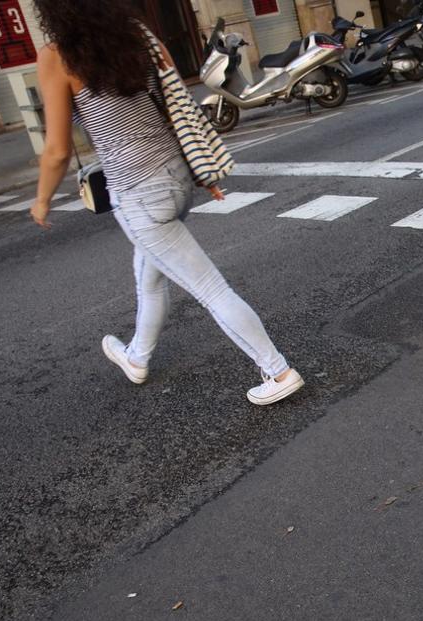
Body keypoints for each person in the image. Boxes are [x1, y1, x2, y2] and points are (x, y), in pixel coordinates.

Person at [29, 0, 303, 406]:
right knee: (149, 274)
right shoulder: (140, 36)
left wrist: (41, 200)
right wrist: (203, 172)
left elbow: (56, 151)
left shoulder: (57, 57)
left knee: (211, 289)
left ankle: (277, 370)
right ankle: (137, 356)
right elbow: (178, 107)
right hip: (176, 178)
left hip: (139, 194)